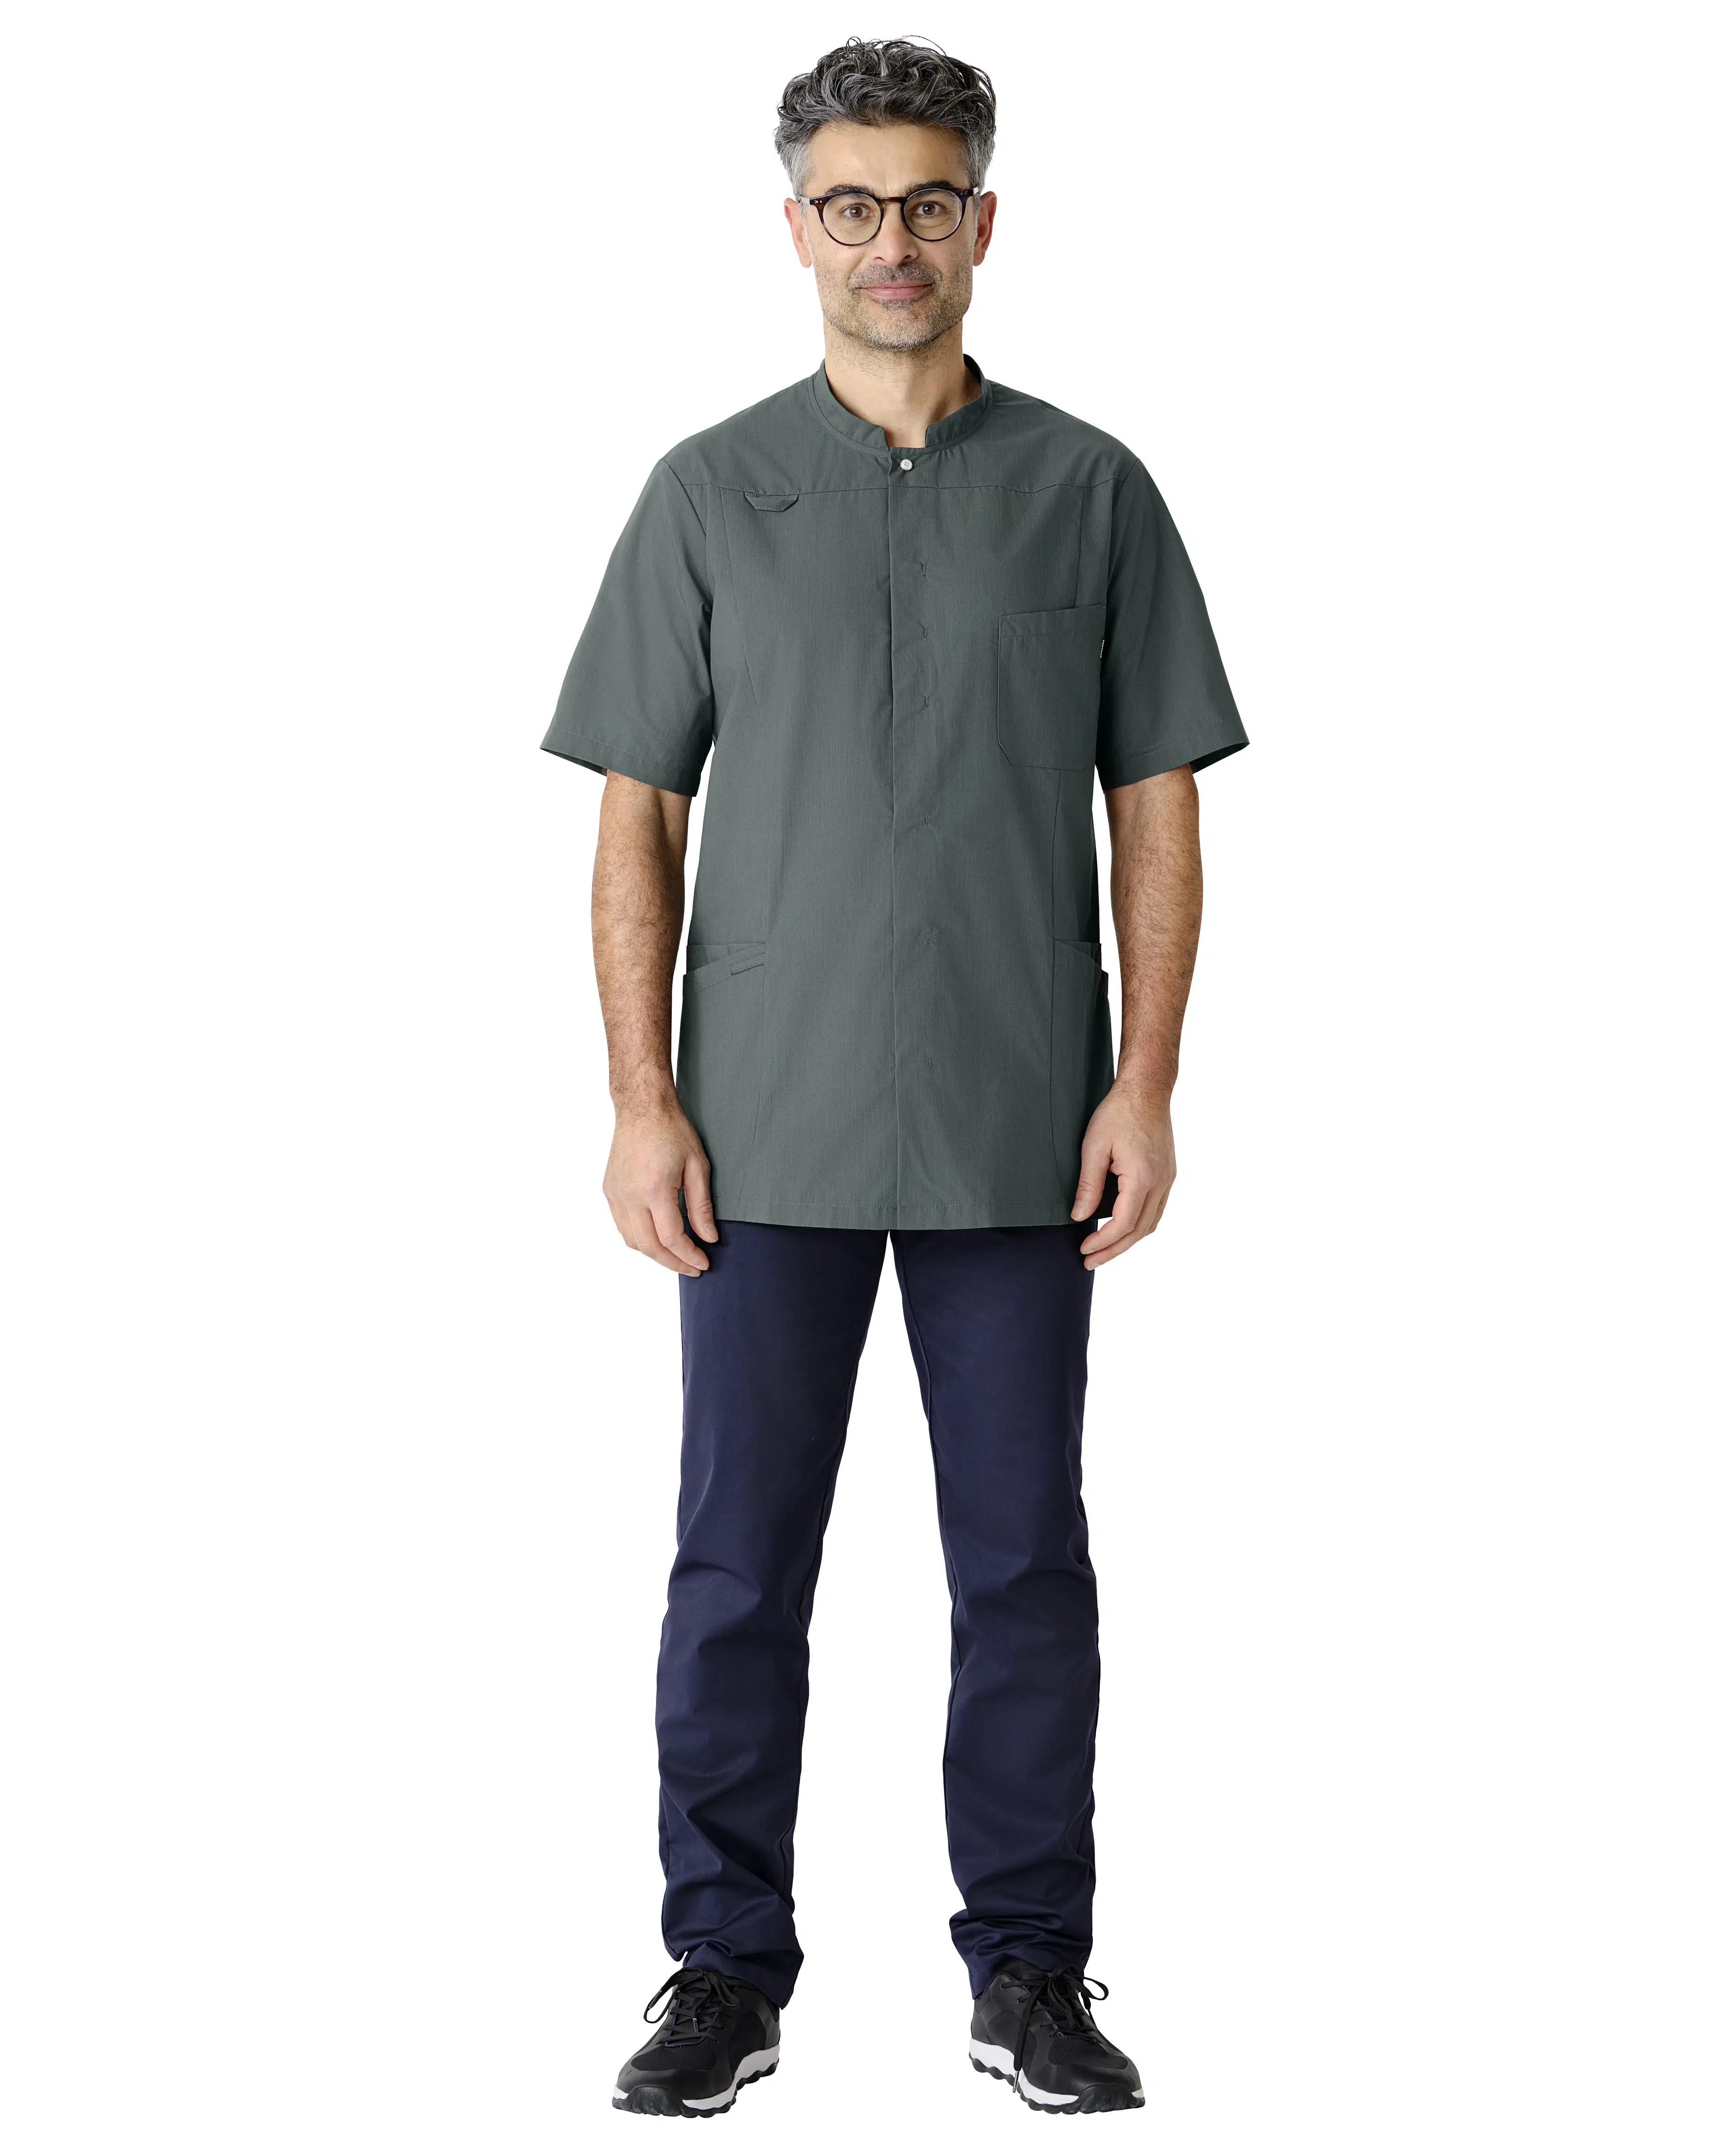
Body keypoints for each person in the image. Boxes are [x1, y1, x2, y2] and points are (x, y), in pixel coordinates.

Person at [542, 36, 1247, 2120]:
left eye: (927, 201)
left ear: (983, 221)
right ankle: (719, 1969)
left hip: (1026, 1125)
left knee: (1025, 1564)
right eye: (850, 205)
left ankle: (1029, 1965)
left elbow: (1157, 807)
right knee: (735, 1566)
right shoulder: (707, 492)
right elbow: (638, 814)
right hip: (757, 1131)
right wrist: (641, 1100)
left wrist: (1147, 1083)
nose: (891, 241)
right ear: (797, 231)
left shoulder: (1092, 489)